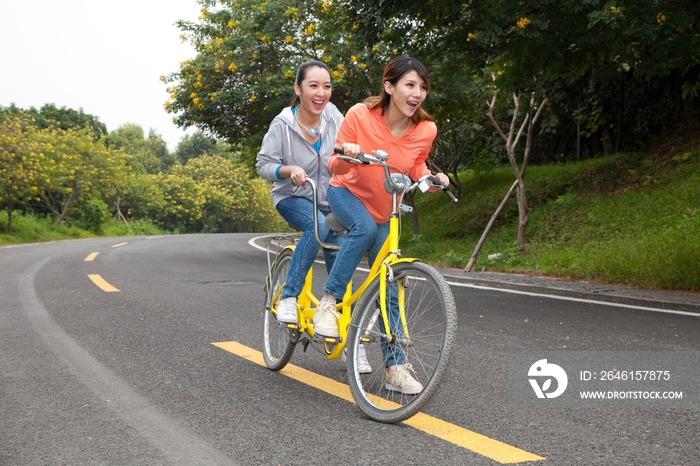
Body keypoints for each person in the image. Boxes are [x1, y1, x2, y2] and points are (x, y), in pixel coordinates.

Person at [314, 56, 450, 393]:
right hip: (347, 193)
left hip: (385, 205)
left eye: (422, 87)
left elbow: (416, 164)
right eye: (410, 85)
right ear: (390, 87)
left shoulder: (426, 129)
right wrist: (349, 155)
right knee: (364, 229)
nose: (417, 93)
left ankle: (395, 368)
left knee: (390, 282)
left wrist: (430, 177)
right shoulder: (360, 115)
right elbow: (333, 163)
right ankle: (328, 304)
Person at [256, 60, 345, 326]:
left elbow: (348, 150)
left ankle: (350, 344)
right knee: (317, 225)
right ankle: (288, 296)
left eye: (326, 86)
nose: (321, 93)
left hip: (331, 200)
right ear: (298, 88)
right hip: (292, 197)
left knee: (340, 259)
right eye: (313, 86)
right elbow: (263, 165)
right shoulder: (282, 125)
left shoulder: (334, 118)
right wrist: (288, 169)